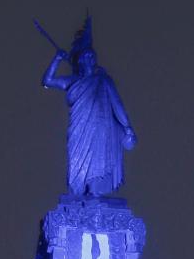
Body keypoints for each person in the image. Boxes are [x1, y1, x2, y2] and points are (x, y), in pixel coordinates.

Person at [42, 18, 136, 196]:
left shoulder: (103, 80)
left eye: (93, 56)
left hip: (100, 126)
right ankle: (79, 192)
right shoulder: (73, 81)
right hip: (79, 127)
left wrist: (127, 127)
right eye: (87, 56)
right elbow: (47, 81)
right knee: (77, 159)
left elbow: (117, 104)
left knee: (98, 158)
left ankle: (94, 191)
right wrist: (56, 59)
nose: (91, 58)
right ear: (80, 60)